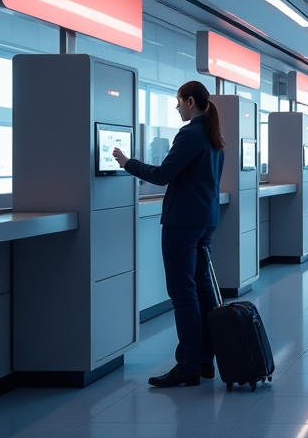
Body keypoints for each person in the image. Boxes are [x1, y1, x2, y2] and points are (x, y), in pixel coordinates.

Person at [112, 81, 225, 388]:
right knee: (202, 290)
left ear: (191, 101)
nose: (176, 107)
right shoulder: (214, 137)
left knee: (183, 293)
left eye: (178, 102)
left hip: (183, 224)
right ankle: (204, 361)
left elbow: (163, 176)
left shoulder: (189, 134)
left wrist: (127, 163)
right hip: (206, 221)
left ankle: (187, 365)